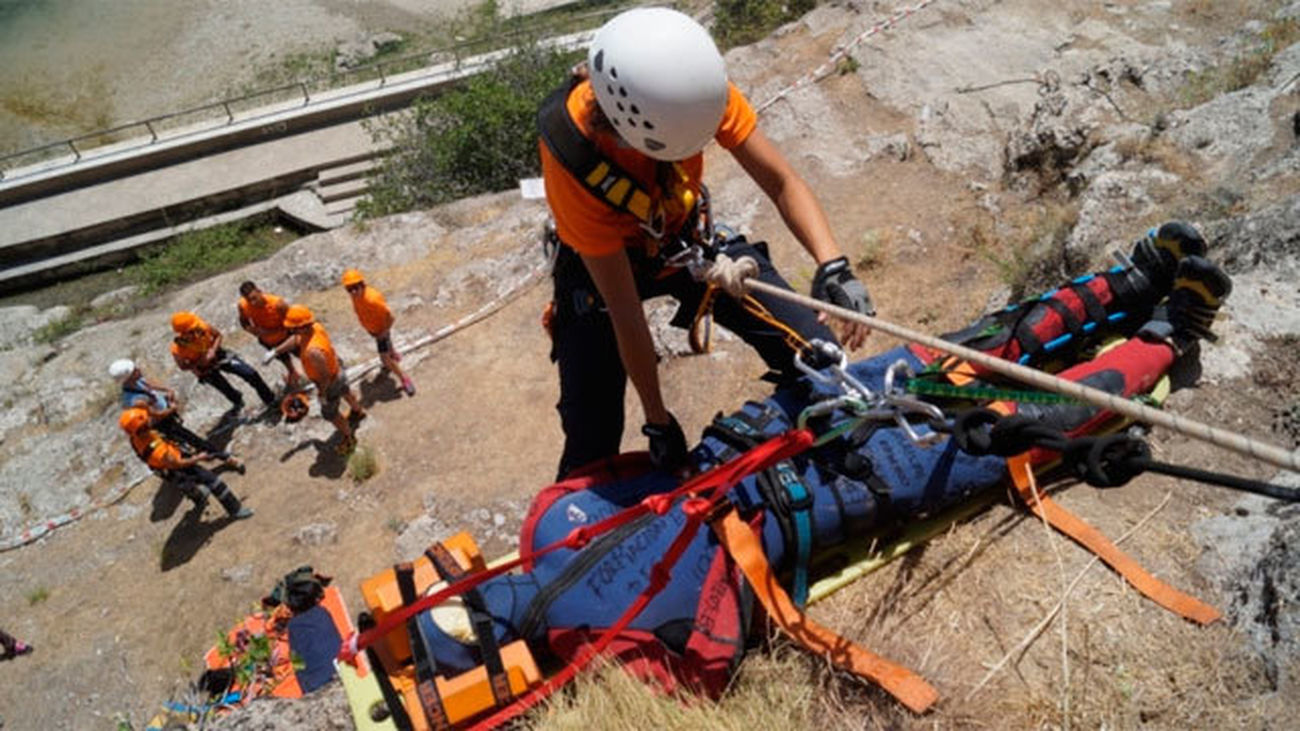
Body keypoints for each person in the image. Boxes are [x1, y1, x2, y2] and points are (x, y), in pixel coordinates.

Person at [538, 7, 876, 479]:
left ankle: (809, 459)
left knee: (815, 356)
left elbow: (781, 182)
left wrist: (833, 265)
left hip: (683, 240)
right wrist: (656, 418)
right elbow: (626, 313)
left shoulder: (691, 90)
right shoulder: (573, 155)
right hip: (601, 269)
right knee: (591, 439)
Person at [119, 407, 253, 520]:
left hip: (164, 468)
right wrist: (198, 458)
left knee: (185, 485)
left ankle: (199, 498)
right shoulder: (158, 451)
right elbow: (178, 464)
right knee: (212, 481)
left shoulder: (135, 439)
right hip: (176, 465)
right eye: (146, 419)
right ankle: (235, 510)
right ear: (142, 427)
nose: (149, 419)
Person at [266, 305, 366, 453]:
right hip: (337, 368)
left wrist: (322, 394)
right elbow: (296, 339)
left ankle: (349, 437)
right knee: (345, 391)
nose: (291, 331)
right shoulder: (315, 327)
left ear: (301, 327)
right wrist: (276, 351)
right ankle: (358, 412)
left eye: (293, 328)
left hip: (331, 382)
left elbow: (325, 377)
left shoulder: (313, 351)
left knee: (331, 414)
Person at [109, 358, 239, 466]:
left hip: (166, 411)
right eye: (134, 370)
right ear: (128, 377)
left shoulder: (136, 381)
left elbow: (149, 385)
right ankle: (223, 457)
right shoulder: (135, 401)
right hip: (162, 422)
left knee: (185, 439)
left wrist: (167, 391)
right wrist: (171, 408)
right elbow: (156, 415)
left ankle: (199, 455)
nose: (138, 369)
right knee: (191, 438)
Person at [170, 311, 277, 411]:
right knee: (224, 387)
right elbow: (182, 366)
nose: (195, 329)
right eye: (191, 329)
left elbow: (218, 335)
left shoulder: (202, 327)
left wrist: (213, 350)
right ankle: (237, 400)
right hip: (203, 368)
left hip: (219, 355)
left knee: (250, 373)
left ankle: (269, 398)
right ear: (183, 332)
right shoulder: (178, 349)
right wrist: (199, 362)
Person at [342, 268, 415, 396]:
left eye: (355, 287)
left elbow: (390, 317)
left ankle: (404, 378)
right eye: (349, 289)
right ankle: (393, 353)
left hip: (381, 330)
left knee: (385, 359)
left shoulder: (373, 300)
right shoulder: (356, 297)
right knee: (388, 345)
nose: (353, 292)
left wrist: (384, 332)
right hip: (375, 330)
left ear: (362, 284)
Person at [237, 281, 303, 388]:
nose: (253, 303)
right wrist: (254, 331)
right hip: (268, 341)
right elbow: (244, 322)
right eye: (249, 300)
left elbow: (293, 322)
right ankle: (293, 373)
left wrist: (271, 331)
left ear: (259, 291)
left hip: (286, 337)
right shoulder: (243, 306)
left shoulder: (277, 304)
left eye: (254, 298)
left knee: (303, 355)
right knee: (284, 359)